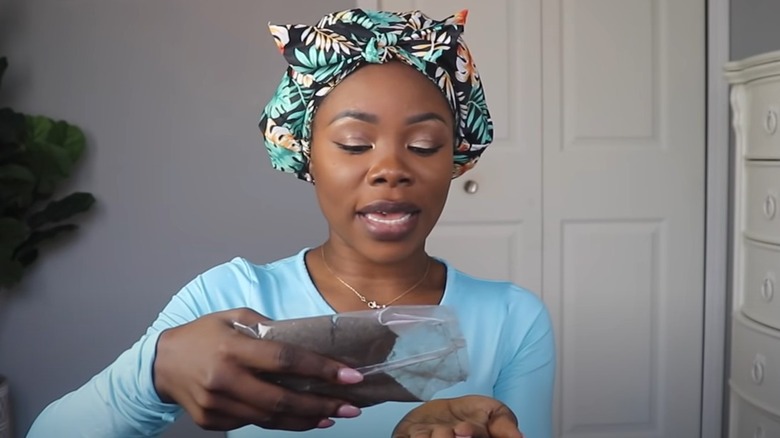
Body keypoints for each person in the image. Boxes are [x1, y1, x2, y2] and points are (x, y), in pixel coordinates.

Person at [28, 8, 555, 438]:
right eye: (354, 144)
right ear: (305, 155)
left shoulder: (513, 319)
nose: (392, 168)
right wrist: (153, 374)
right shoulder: (228, 298)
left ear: (455, 158)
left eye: (424, 145)